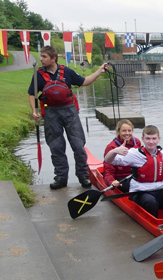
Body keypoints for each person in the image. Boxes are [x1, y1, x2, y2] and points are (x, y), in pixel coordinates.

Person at [28, 45, 109, 190]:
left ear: (53, 59)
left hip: (70, 112)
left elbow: (85, 81)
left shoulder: (67, 72)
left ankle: (83, 176)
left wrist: (99, 71)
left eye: (44, 56)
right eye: (41, 56)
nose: (41, 59)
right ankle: (61, 178)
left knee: (78, 145)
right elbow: (32, 93)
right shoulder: (39, 74)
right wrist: (34, 111)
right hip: (51, 114)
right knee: (56, 147)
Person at [104, 125, 163, 218]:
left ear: (159, 139)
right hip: (139, 191)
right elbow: (109, 160)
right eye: (148, 138)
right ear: (143, 139)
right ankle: (155, 222)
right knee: (150, 202)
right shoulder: (134, 153)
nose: (151, 142)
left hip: (159, 189)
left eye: (154, 138)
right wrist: (114, 151)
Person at [102, 119, 141, 192]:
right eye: (124, 131)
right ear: (118, 132)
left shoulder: (137, 142)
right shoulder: (111, 147)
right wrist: (111, 181)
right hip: (121, 180)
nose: (127, 133)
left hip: (135, 176)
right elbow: (108, 171)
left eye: (129, 131)